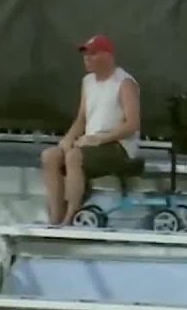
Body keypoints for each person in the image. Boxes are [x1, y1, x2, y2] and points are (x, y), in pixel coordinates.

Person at [40, 35, 142, 226]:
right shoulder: (87, 82)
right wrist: (68, 138)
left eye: (92, 54)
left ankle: (71, 217)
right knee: (50, 156)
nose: (87, 59)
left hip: (117, 145)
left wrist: (100, 139)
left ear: (107, 56)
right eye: (86, 55)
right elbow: (82, 119)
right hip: (90, 144)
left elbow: (132, 125)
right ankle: (55, 217)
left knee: (74, 157)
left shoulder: (124, 83)